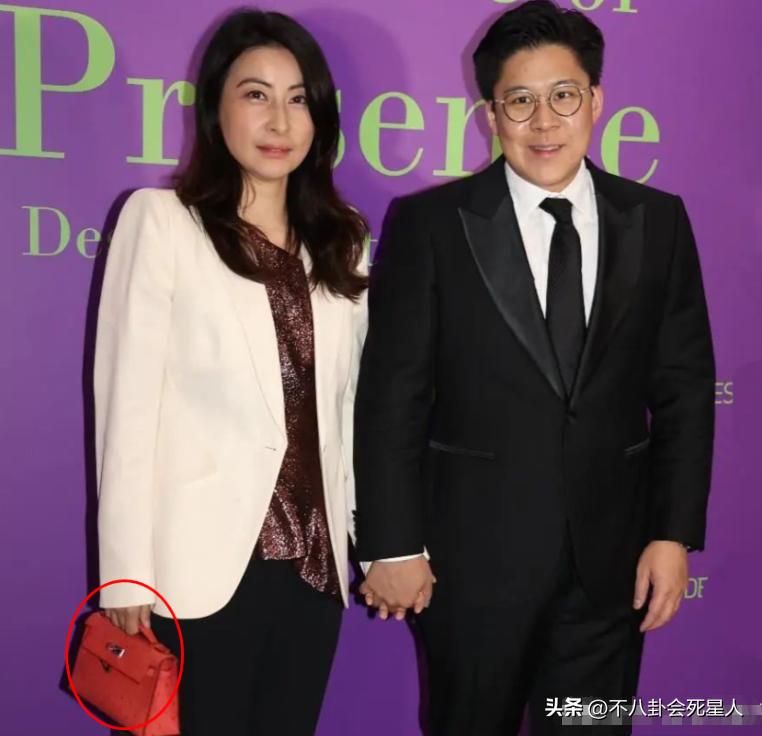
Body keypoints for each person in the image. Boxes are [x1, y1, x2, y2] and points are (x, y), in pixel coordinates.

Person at [354, 1, 714, 734]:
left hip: (610, 568)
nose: (544, 122)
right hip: (469, 567)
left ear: (597, 100)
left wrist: (672, 534)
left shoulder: (657, 220)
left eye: (564, 96)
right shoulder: (432, 226)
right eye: (519, 101)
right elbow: (392, 397)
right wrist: (392, 543)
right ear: (491, 114)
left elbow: (683, 389)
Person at [94, 9, 368, 735]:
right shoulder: (163, 221)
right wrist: (125, 572)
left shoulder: (342, 241)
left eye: (298, 98)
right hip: (198, 568)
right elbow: (127, 410)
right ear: (216, 109)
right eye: (255, 94)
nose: (279, 120)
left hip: (314, 568)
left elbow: (348, 408)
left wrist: (367, 537)